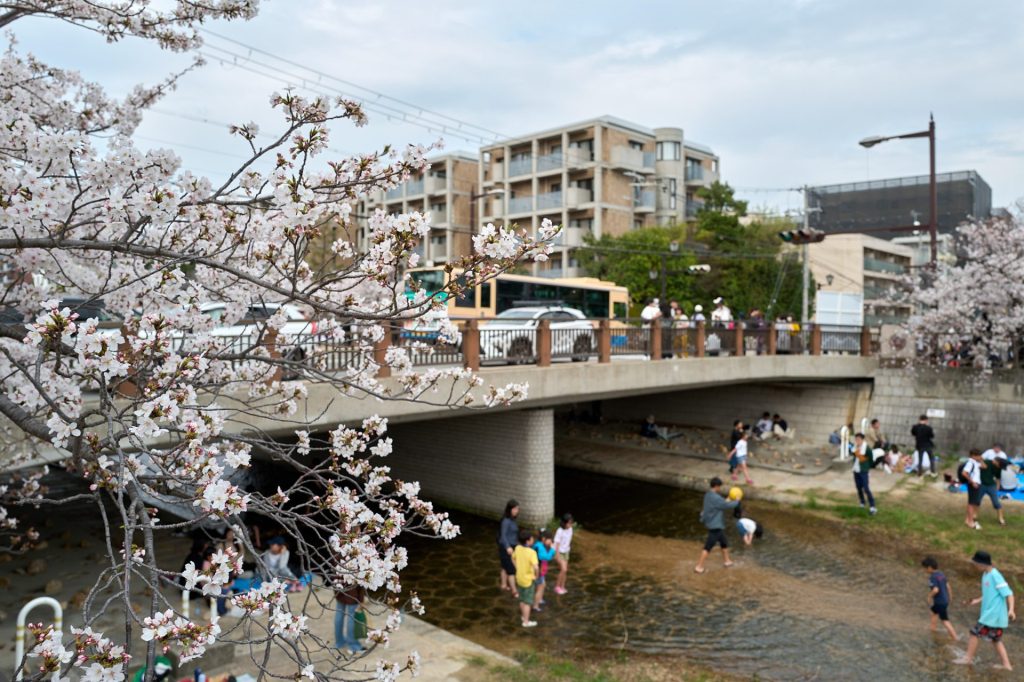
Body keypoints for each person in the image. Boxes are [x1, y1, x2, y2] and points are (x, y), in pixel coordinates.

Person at [953, 550, 1015, 670]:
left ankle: (967, 659)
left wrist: (1011, 610)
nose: (975, 566)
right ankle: (1007, 665)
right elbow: (990, 592)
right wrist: (977, 600)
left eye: (976, 564)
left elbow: (1009, 593)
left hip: (993, 614)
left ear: (982, 564)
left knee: (974, 633)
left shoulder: (995, 575)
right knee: (996, 640)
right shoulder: (985, 574)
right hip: (991, 615)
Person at [694, 477, 740, 574]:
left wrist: (728, 499)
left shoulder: (708, 495)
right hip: (715, 526)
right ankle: (699, 566)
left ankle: (727, 561)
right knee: (708, 547)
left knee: (724, 542)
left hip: (712, 523)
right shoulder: (716, 498)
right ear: (716, 486)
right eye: (719, 487)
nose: (720, 488)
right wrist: (737, 501)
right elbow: (726, 505)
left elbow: (721, 503)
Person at [921, 557, 958, 641]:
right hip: (944, 600)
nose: (924, 570)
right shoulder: (941, 574)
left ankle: (955, 638)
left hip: (940, 602)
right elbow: (948, 586)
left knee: (945, 620)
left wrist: (929, 596)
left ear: (929, 567)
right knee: (934, 612)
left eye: (925, 568)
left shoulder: (933, 577)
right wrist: (950, 597)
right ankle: (933, 629)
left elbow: (935, 590)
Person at [512, 529, 539, 628]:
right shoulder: (532, 552)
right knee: (527, 602)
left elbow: (513, 558)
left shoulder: (517, 548)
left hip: (519, 578)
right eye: (531, 538)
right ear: (528, 541)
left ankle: (523, 616)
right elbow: (536, 567)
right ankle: (526, 622)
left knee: (522, 599)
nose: (533, 539)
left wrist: (517, 568)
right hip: (528, 580)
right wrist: (536, 576)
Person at [334, 583, 365, 653]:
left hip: (339, 588)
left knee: (339, 613)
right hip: (352, 591)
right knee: (352, 616)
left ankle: (339, 642)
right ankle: (353, 646)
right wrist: (361, 599)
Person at [851, 433, 877, 515]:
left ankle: (872, 506)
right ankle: (862, 502)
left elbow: (871, 459)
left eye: (859, 439)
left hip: (863, 471)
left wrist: (866, 466)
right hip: (856, 470)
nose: (857, 441)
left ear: (862, 440)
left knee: (866, 488)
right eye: (856, 439)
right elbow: (854, 456)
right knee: (858, 487)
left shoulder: (866, 448)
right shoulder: (855, 447)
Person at [978, 452, 1007, 527]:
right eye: (1000, 465)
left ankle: (1001, 519)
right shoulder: (986, 462)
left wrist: (997, 487)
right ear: (997, 462)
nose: (1000, 467)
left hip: (991, 486)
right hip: (981, 485)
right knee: (977, 501)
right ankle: (974, 516)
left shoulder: (999, 468)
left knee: (996, 503)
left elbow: (998, 478)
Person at [497, 499, 520, 594]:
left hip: (512, 545)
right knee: (511, 569)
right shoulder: (506, 521)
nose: (516, 511)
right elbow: (503, 535)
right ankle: (514, 591)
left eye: (517, 509)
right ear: (509, 509)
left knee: (504, 567)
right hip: (506, 547)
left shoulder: (512, 520)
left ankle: (503, 584)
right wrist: (507, 547)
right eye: (514, 509)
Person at [532, 530, 555, 612]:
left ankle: (540, 599)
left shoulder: (539, 544)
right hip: (538, 571)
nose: (551, 542)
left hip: (540, 570)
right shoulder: (539, 546)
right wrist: (552, 549)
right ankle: (535, 606)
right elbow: (545, 557)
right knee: (540, 587)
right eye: (550, 540)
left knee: (543, 584)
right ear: (543, 539)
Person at [962, 449, 984, 530]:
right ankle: (970, 521)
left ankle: (968, 519)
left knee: (973, 503)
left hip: (977, 483)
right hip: (973, 484)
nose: (980, 457)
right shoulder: (970, 463)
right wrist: (972, 482)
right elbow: (964, 473)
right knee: (971, 503)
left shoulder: (976, 462)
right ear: (973, 456)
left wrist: (981, 460)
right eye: (978, 456)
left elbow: (984, 467)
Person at [553, 513, 574, 595]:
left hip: (566, 551)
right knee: (563, 569)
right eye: (569, 523)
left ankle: (562, 586)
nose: (570, 524)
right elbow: (557, 543)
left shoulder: (570, 529)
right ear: (564, 523)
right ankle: (557, 587)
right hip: (560, 552)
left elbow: (568, 540)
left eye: (571, 522)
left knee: (565, 570)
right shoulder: (560, 531)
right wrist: (557, 555)